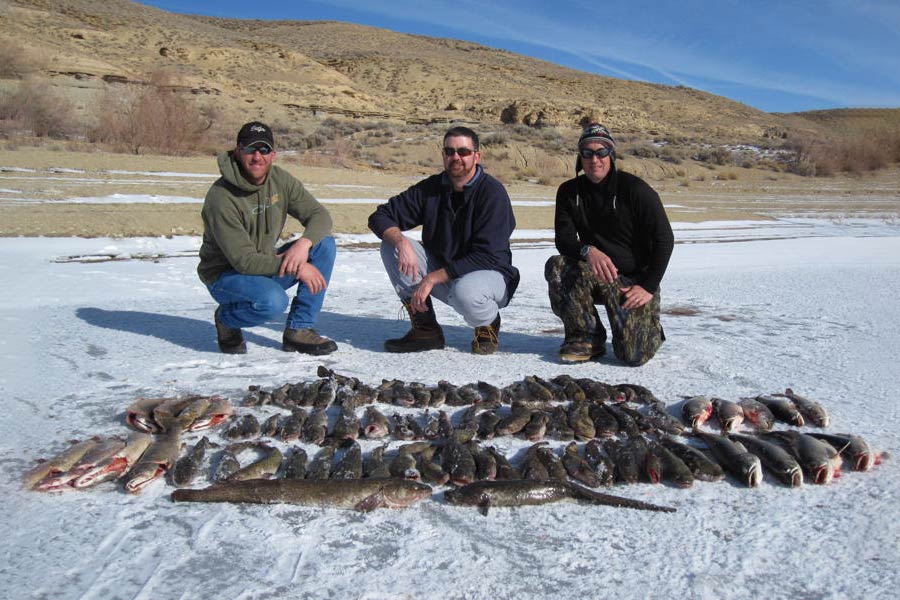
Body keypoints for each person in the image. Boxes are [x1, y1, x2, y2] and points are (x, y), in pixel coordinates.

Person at [368, 126, 519, 355]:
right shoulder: (432, 188)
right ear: (443, 155)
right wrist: (400, 241)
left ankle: (487, 324)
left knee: (466, 293)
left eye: (463, 152)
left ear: (477, 156)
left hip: (488, 275)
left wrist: (431, 279)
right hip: (445, 272)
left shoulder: (492, 193)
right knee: (390, 245)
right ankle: (425, 331)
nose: (456, 157)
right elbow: (380, 216)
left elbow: (486, 255)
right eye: (449, 151)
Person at [197, 121, 338, 356]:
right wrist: (299, 267)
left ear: (273, 154)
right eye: (250, 149)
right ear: (238, 151)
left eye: (263, 150)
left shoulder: (279, 180)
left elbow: (320, 215)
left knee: (323, 244)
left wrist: (304, 244)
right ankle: (227, 319)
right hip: (226, 275)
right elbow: (244, 261)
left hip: (262, 264)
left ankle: (299, 330)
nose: (257, 157)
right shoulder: (221, 198)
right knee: (273, 302)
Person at [545, 123, 674, 366]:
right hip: (598, 273)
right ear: (580, 157)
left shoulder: (635, 190)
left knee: (633, 356)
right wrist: (588, 250)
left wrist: (648, 286)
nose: (595, 159)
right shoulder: (569, 192)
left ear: (611, 155)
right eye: (588, 153)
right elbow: (564, 240)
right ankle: (586, 337)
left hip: (634, 281)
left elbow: (664, 239)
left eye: (601, 152)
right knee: (558, 266)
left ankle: (651, 330)